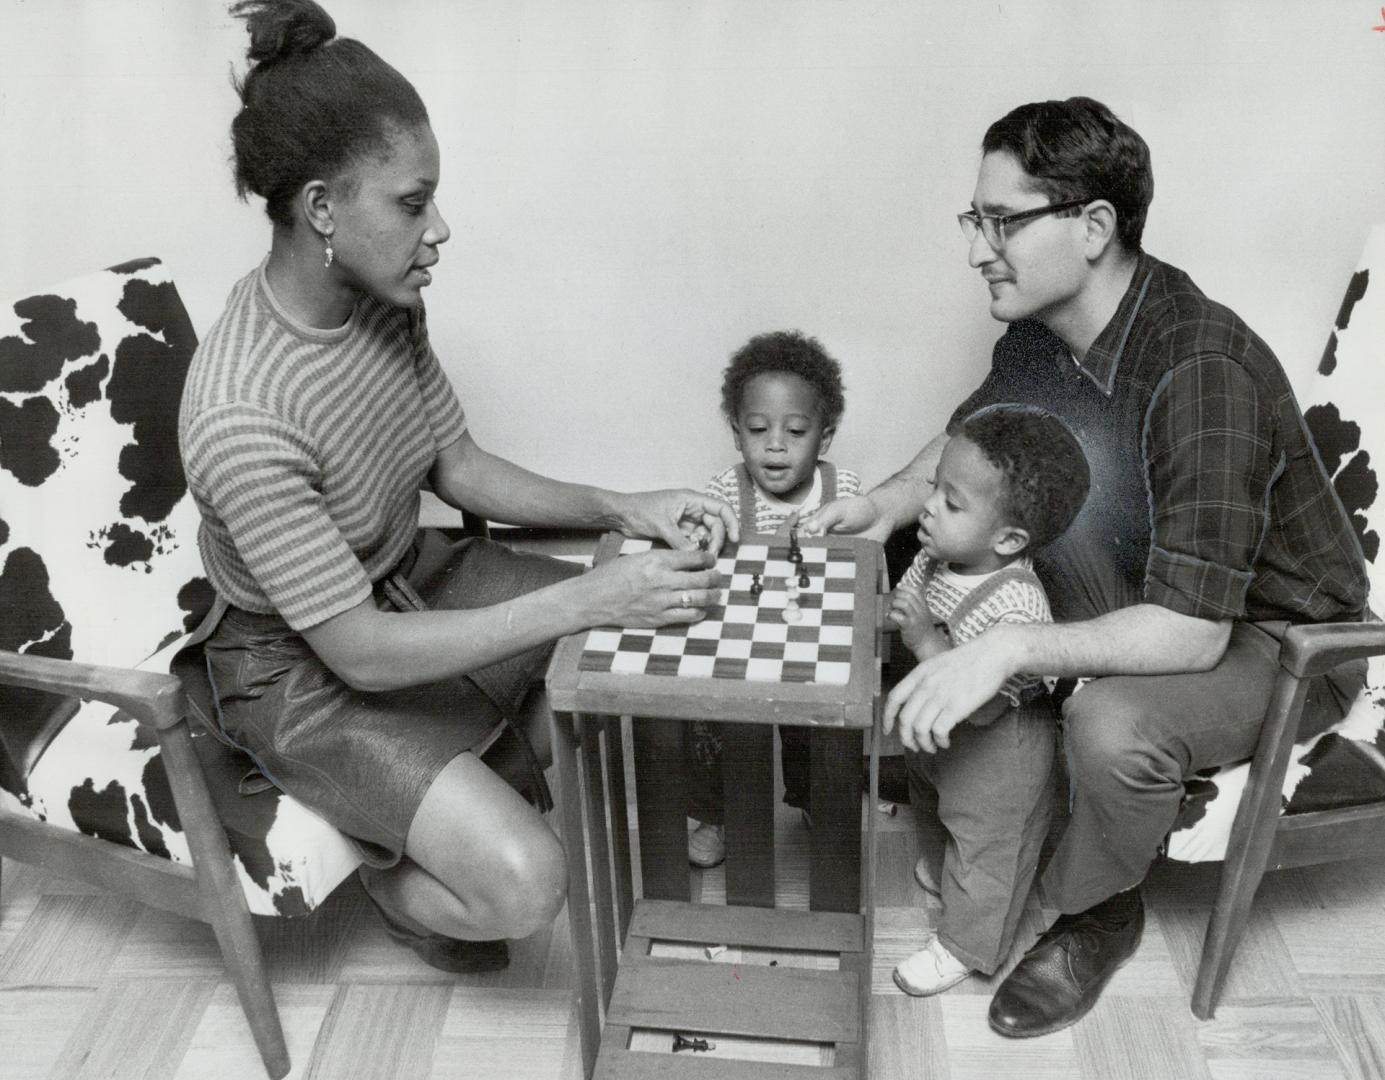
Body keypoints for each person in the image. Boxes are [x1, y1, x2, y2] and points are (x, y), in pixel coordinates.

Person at [180, 0, 737, 975]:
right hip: (302, 668)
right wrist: (586, 591)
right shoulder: (242, 413)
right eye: (409, 202)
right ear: (320, 209)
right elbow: (358, 653)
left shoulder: (380, 299)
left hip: (411, 579)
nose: (438, 229)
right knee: (527, 884)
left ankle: (460, 794)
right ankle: (391, 891)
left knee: (638, 640)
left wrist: (623, 506)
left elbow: (461, 467)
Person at [802, 96, 1369, 1034]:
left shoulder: (1199, 370)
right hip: (1153, 586)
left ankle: (1093, 908)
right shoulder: (1039, 334)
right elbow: (963, 455)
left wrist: (1009, 647)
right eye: (973, 220)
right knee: (944, 533)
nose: (977, 248)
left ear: (1094, 226)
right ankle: (932, 779)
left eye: (1003, 221)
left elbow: (1193, 633)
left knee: (1112, 721)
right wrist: (876, 508)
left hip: (1282, 637)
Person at [889, 404, 1087, 996]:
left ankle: (964, 946)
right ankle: (948, 873)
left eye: (952, 503)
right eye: (934, 489)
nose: (928, 508)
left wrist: (925, 639)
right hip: (944, 734)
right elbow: (903, 608)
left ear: (1008, 538)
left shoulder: (1017, 604)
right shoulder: (935, 555)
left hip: (1001, 747)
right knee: (933, 800)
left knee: (988, 849)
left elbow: (986, 706)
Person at [685, 330, 861, 867]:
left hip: (809, 642)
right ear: (737, 434)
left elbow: (855, 567)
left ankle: (813, 799)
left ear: (824, 437)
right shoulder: (722, 492)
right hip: (738, 640)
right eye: (758, 429)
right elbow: (702, 556)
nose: (775, 445)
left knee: (812, 731)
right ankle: (715, 814)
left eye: (796, 431)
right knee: (713, 727)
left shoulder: (844, 492)